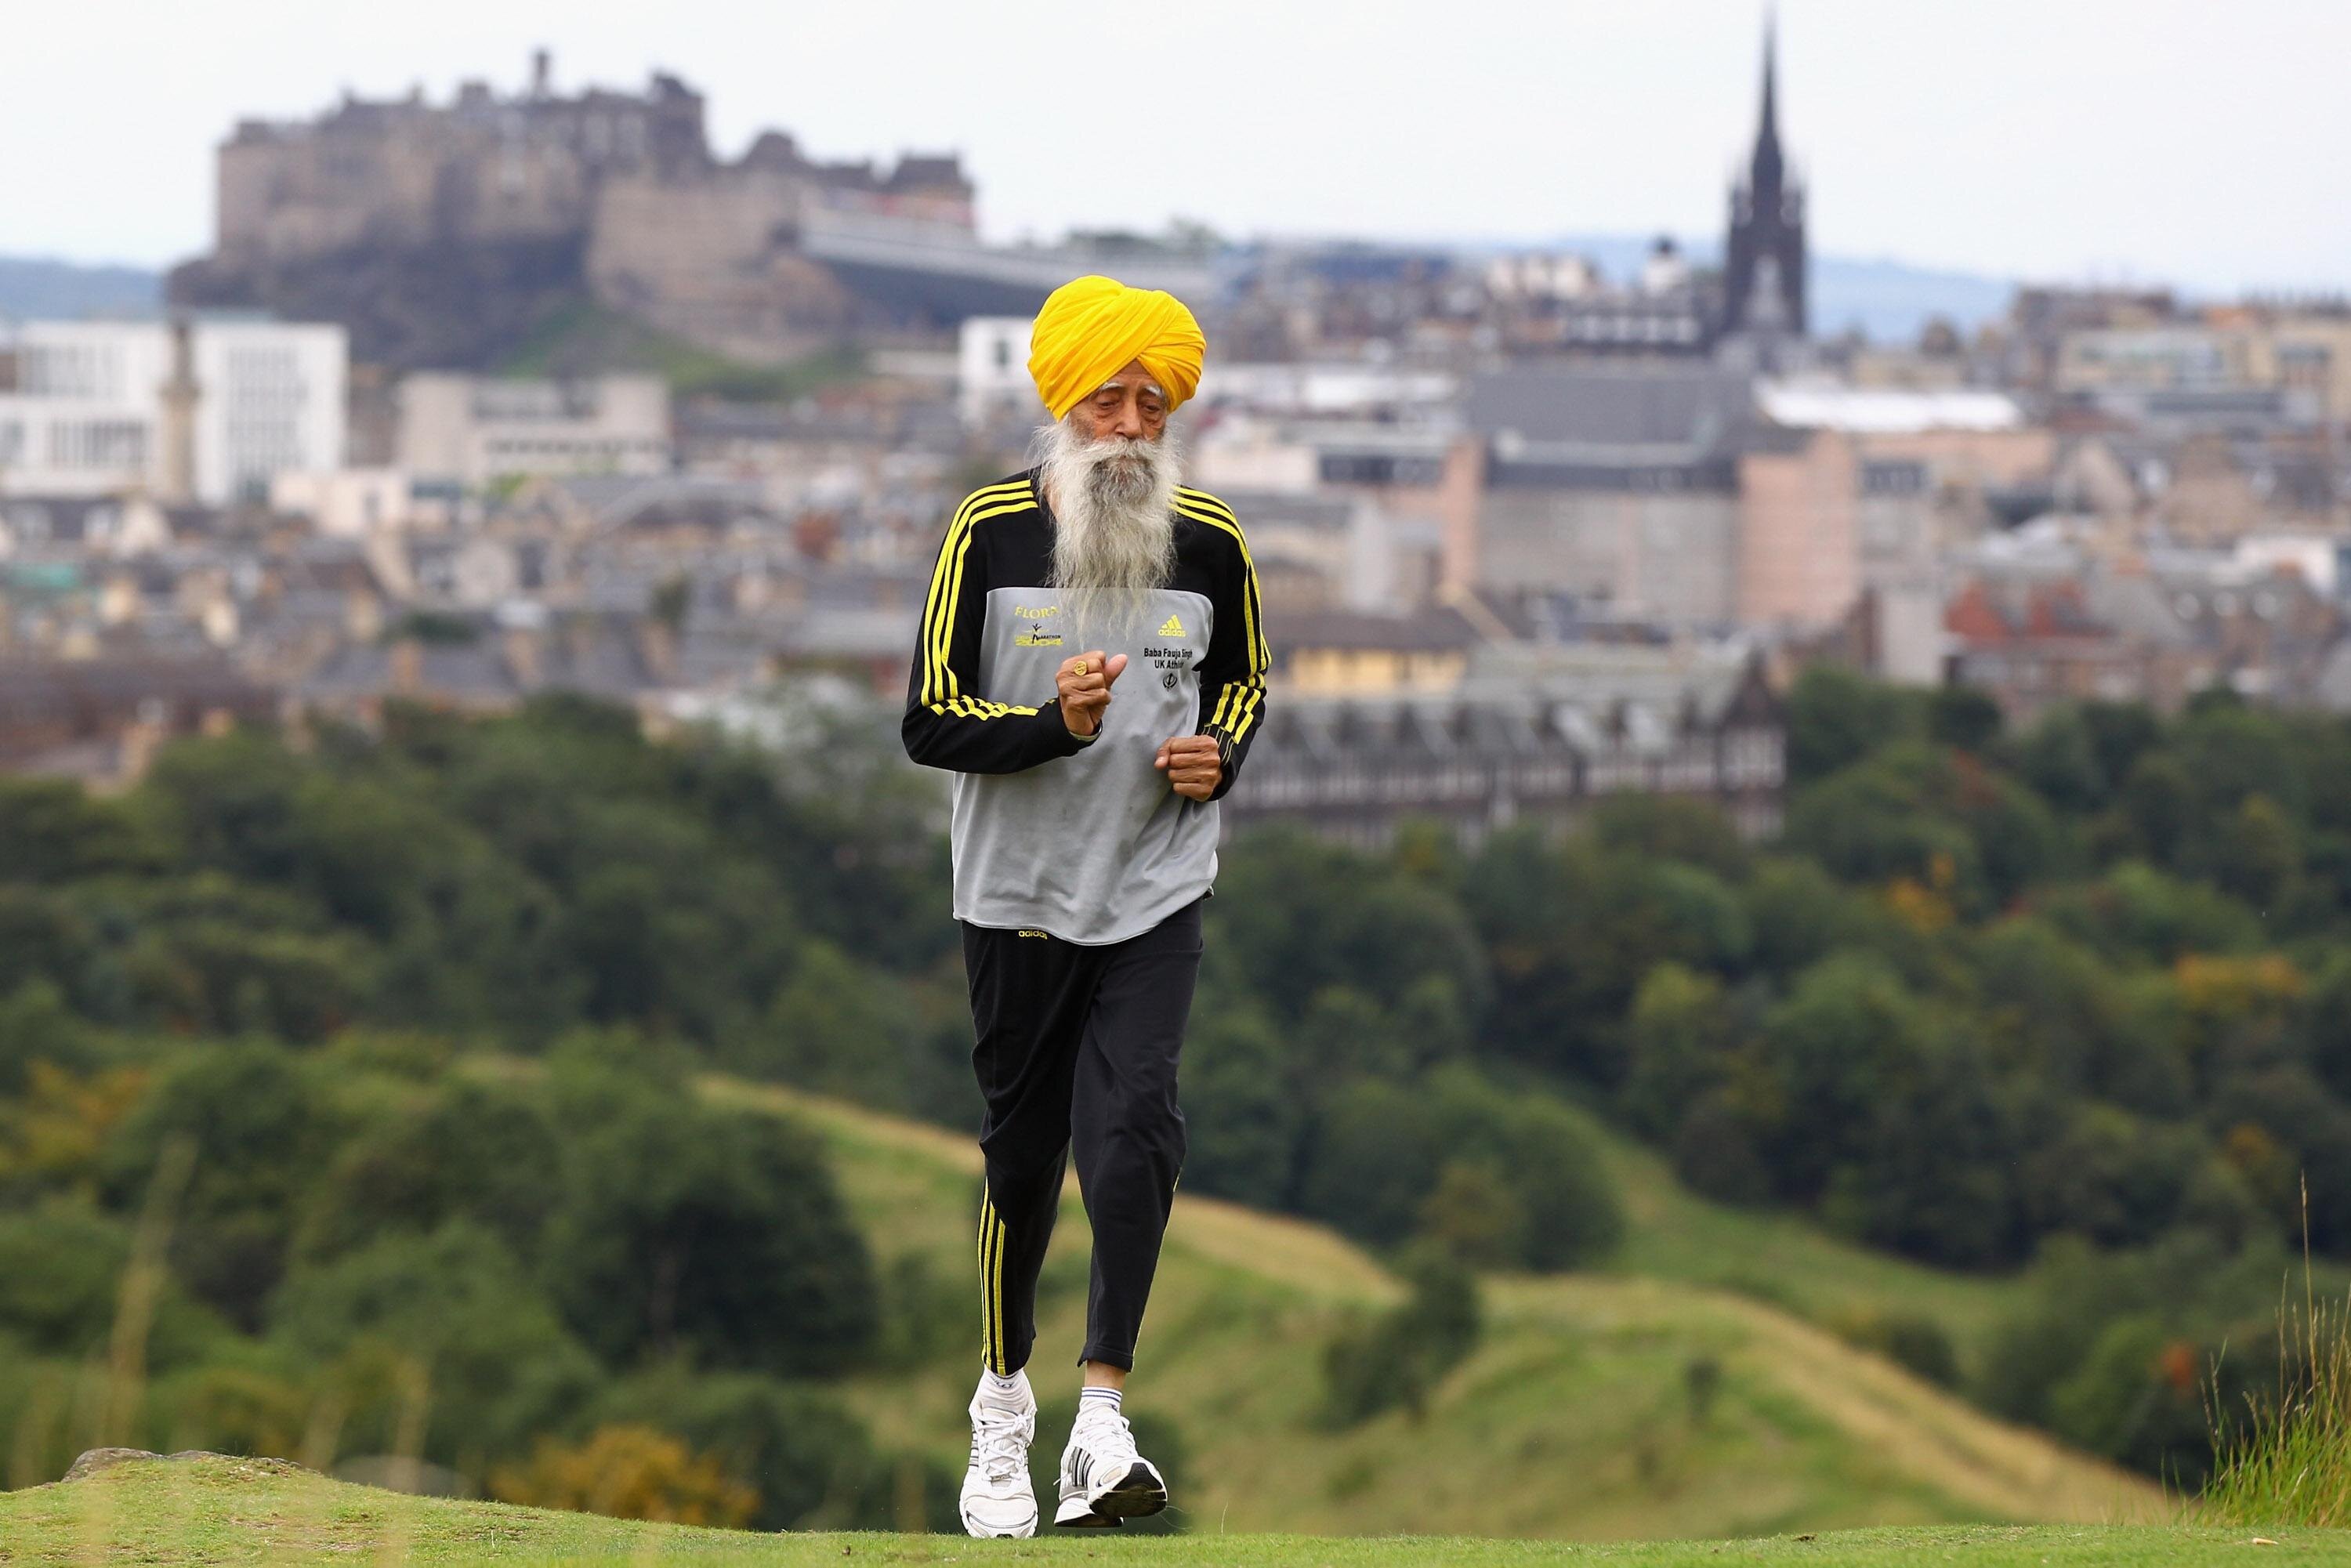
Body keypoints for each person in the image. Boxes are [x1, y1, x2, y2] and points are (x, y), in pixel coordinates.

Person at [901, 274, 1268, 1537]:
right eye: (1106, 398)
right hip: (1015, 898)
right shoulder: (989, 533)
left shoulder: (1211, 540)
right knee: (1023, 1154)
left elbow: (1244, 687)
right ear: (1063, 401)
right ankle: (1002, 1406)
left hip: (1156, 884)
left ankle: (1101, 1415)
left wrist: (1217, 756)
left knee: (1136, 1132)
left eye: (1149, 403)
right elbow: (926, 721)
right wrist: (1047, 726)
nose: (1127, 423)